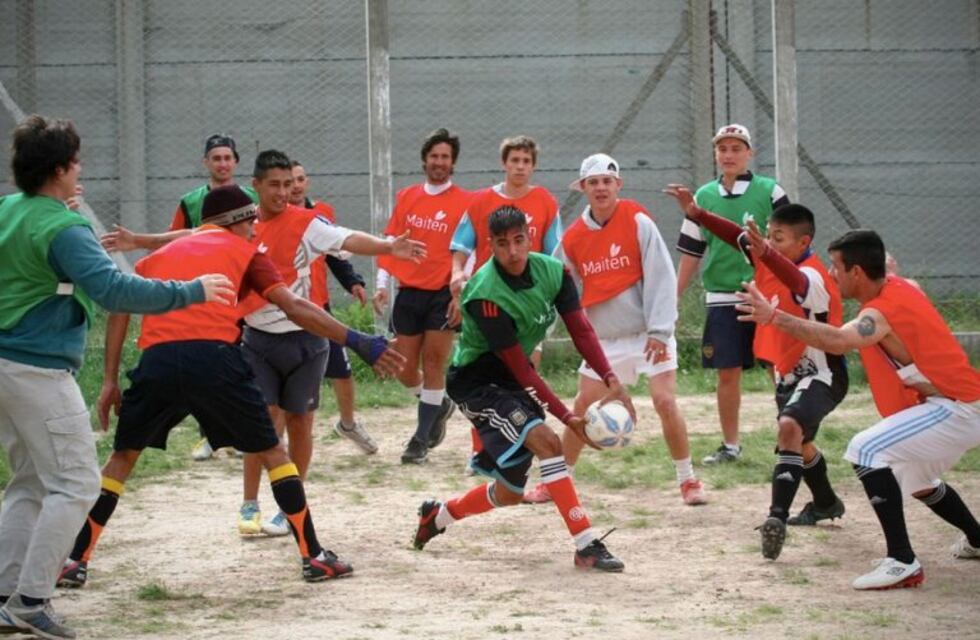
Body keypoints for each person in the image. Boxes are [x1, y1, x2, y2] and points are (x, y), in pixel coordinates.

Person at [54, 185, 406, 593]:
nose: (256, 230)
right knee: (274, 452)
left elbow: (120, 306)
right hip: (214, 360)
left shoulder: (159, 257)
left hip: (158, 361)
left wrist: (110, 380)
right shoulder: (247, 253)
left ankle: (76, 561)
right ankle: (313, 556)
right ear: (236, 221)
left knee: (122, 457)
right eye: (251, 221)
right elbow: (295, 307)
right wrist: (359, 341)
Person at [0, 115, 233, 639]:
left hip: (7, 365)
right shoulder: (63, 227)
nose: (80, 169)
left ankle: (7, 592)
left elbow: (33, 258)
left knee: (30, 480)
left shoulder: (9, 209)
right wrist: (191, 290)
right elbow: (116, 290)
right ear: (60, 170)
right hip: (38, 369)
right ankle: (30, 602)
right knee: (76, 483)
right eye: (75, 162)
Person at [736, 229, 980, 589]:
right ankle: (977, 538)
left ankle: (902, 561)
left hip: (960, 408)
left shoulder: (880, 313)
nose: (831, 273)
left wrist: (774, 317)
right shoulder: (896, 287)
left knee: (865, 449)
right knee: (915, 479)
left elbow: (838, 340)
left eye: (836, 266)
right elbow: (897, 278)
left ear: (857, 272)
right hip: (954, 404)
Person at [413, 206, 635, 572]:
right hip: (477, 383)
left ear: (530, 239)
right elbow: (520, 365)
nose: (513, 251)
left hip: (512, 380)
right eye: (503, 244)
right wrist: (567, 417)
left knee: (510, 493)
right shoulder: (484, 294)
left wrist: (612, 380)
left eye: (519, 240)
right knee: (550, 443)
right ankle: (586, 545)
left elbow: (581, 330)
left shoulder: (555, 272)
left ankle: (438, 516)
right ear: (491, 246)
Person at [237, 150, 424, 537]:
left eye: (289, 184)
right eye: (274, 185)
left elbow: (347, 238)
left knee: (300, 423)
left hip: (307, 337)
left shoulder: (306, 222)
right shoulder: (241, 223)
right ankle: (249, 502)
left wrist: (387, 246)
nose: (284, 192)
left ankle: (290, 506)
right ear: (255, 185)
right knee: (263, 422)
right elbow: (194, 237)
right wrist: (141, 240)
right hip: (258, 338)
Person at [666, 187, 848, 559]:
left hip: (823, 374)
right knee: (800, 443)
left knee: (789, 429)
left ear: (803, 242)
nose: (767, 243)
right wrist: (699, 215)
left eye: (778, 238)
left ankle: (775, 518)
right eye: (768, 235)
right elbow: (736, 235)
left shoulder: (812, 276)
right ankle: (826, 502)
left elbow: (795, 282)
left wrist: (766, 252)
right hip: (788, 373)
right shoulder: (769, 254)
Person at [522, 155, 707, 507]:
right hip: (605, 339)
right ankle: (556, 483)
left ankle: (688, 479)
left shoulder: (637, 220)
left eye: (607, 181)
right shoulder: (574, 238)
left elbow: (661, 275)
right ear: (583, 188)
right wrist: (537, 337)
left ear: (618, 185)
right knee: (581, 407)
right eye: (593, 182)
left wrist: (659, 330)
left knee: (665, 401)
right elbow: (551, 289)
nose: (601, 188)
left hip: (648, 333)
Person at [101, 133, 259, 461]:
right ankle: (212, 435)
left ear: (236, 162)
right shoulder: (191, 201)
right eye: (216, 158)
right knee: (207, 356)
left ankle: (239, 432)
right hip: (202, 289)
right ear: (206, 162)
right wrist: (140, 242)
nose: (222, 163)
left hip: (241, 281)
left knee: (237, 357)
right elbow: (183, 238)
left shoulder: (251, 198)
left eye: (227, 158)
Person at [674, 124, 789, 465]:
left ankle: (791, 440)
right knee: (727, 372)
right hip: (723, 297)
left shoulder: (770, 191)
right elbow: (691, 252)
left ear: (750, 153)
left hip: (765, 297)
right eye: (722, 148)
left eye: (736, 148)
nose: (728, 155)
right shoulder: (703, 197)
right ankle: (730, 445)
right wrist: (674, 297)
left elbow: (790, 243)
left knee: (778, 368)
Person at [448, 135, 562, 461]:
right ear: (504, 163)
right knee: (483, 373)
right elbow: (461, 246)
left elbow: (555, 252)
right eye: (515, 160)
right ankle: (482, 448)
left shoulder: (545, 202)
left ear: (533, 166)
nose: (520, 167)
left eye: (526, 161)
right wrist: (457, 274)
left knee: (525, 369)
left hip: (529, 301)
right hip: (490, 302)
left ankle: (518, 442)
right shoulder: (482, 201)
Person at [373, 128, 472, 464]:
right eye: (434, 156)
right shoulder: (408, 196)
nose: (439, 162)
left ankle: (420, 440)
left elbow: (471, 251)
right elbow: (391, 242)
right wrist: (382, 283)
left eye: (445, 157)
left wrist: (461, 293)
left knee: (433, 362)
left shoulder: (465, 202)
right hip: (409, 292)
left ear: (453, 162)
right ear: (425, 160)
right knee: (402, 368)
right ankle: (438, 404)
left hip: (443, 294)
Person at [289, 159, 377, 458]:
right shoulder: (274, 218)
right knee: (293, 379)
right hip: (287, 309)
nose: (296, 185)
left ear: (307, 182)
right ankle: (282, 439)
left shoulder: (320, 214)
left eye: (301, 179)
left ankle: (348, 424)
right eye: (290, 180)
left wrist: (353, 282)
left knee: (341, 370)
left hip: (319, 307)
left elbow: (335, 255)